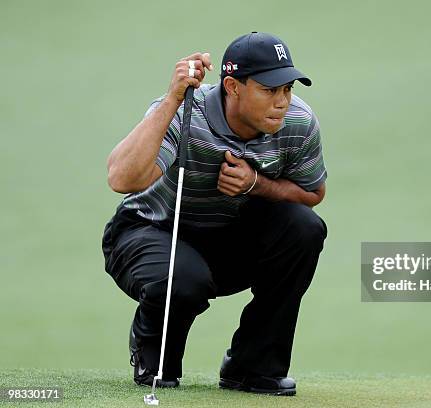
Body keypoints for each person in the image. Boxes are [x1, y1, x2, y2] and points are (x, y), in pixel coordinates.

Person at [101, 32, 327, 396]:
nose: (282, 102)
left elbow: (312, 194)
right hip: (149, 232)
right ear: (232, 86)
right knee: (183, 278)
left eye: (286, 89)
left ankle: (253, 368)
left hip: (226, 241)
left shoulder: (298, 122)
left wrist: (256, 183)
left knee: (304, 228)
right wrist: (174, 98)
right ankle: (155, 360)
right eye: (269, 90)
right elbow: (121, 178)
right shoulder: (184, 110)